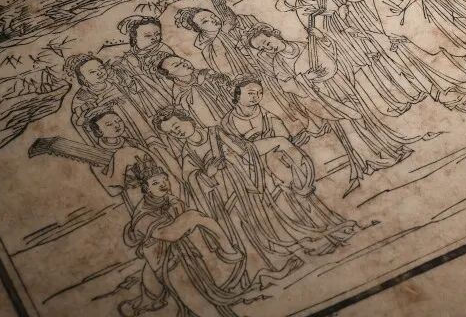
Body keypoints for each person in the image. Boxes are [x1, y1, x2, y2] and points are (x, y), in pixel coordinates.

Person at [246, 23, 415, 195]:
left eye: (267, 43)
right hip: (322, 98)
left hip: (337, 85)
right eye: (263, 49)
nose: (269, 49)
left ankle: (387, 150)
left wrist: (321, 38)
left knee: (363, 117)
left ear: (275, 34)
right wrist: (306, 78)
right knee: (346, 126)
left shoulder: (302, 45)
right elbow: (288, 86)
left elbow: (328, 54)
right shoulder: (279, 64)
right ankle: (368, 159)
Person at [153, 108, 305, 287]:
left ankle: (279, 258)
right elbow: (191, 182)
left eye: (176, 125)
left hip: (241, 186)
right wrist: (206, 174)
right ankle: (261, 272)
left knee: (260, 221)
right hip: (223, 200)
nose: (176, 131)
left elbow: (244, 150)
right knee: (241, 233)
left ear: (186, 119)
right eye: (171, 131)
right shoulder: (188, 154)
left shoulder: (215, 133)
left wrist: (232, 156)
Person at [219, 77, 360, 255]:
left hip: (281, 165)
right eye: (251, 93)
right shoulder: (227, 123)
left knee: (300, 192)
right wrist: (267, 144)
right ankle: (308, 239)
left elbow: (285, 139)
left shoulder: (267, 115)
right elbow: (235, 151)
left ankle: (327, 230)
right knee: (283, 204)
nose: (256, 97)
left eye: (259, 93)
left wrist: (275, 144)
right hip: (257, 173)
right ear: (238, 95)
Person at [280, 0, 428, 117]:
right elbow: (316, 29)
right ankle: (390, 106)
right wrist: (338, 15)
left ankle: (409, 94)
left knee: (381, 64)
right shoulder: (302, 6)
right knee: (366, 75)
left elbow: (343, 0)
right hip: (340, 46)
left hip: (354, 36)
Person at [120, 155, 249, 317]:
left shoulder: (169, 200)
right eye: (155, 183)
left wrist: (186, 215)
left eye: (164, 179)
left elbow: (182, 223)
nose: (163, 184)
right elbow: (170, 234)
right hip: (165, 262)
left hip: (186, 254)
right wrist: (192, 218)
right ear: (147, 189)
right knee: (198, 304)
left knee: (209, 297)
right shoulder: (142, 216)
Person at [66, 53, 157, 146]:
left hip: (133, 117)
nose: (100, 72)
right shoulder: (82, 96)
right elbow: (80, 118)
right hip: (112, 127)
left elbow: (135, 91)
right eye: (92, 72)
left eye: (101, 68)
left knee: (147, 138)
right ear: (83, 79)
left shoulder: (115, 81)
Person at [175, 0, 262, 79]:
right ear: (198, 29)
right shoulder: (207, 47)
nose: (213, 20)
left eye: (213, 16)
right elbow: (225, 68)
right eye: (205, 21)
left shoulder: (233, 24)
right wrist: (223, 33)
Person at [111, 15, 175, 114]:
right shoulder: (130, 56)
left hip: (166, 89)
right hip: (149, 96)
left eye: (158, 34)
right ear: (134, 38)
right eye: (148, 36)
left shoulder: (163, 50)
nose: (154, 38)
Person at [155, 54, 233, 129]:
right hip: (209, 118)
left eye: (183, 60)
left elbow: (225, 84)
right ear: (171, 75)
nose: (185, 64)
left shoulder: (204, 73)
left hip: (227, 109)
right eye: (177, 65)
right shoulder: (177, 90)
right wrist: (199, 85)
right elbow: (184, 106)